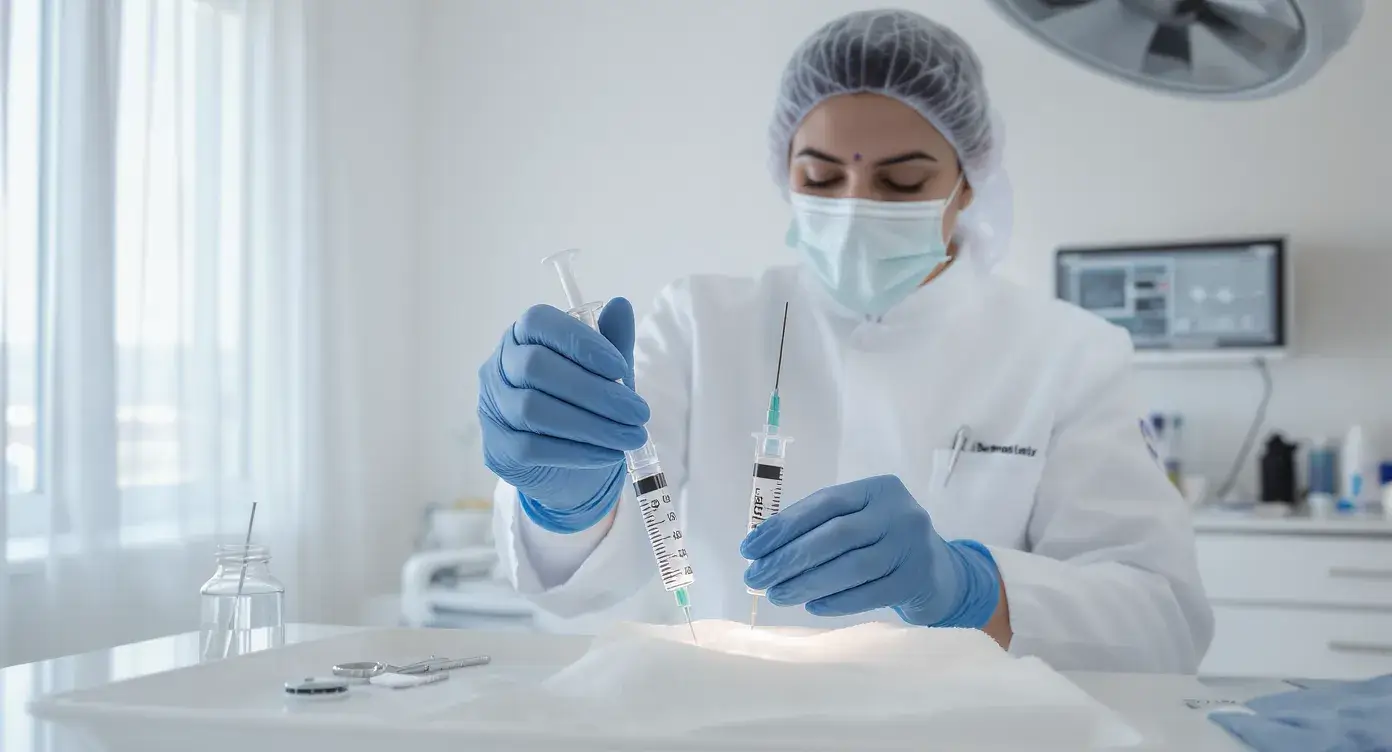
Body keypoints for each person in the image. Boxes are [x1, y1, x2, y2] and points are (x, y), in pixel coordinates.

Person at [477, 8, 1213, 673]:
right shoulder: (701, 320)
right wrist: (568, 503)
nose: (856, 206)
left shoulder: (1069, 352)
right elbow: (581, 580)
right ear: (783, 171)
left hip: (966, 733)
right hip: (738, 719)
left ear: (968, 183)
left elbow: (1163, 624)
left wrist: (967, 587)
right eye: (821, 176)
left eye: (901, 184)